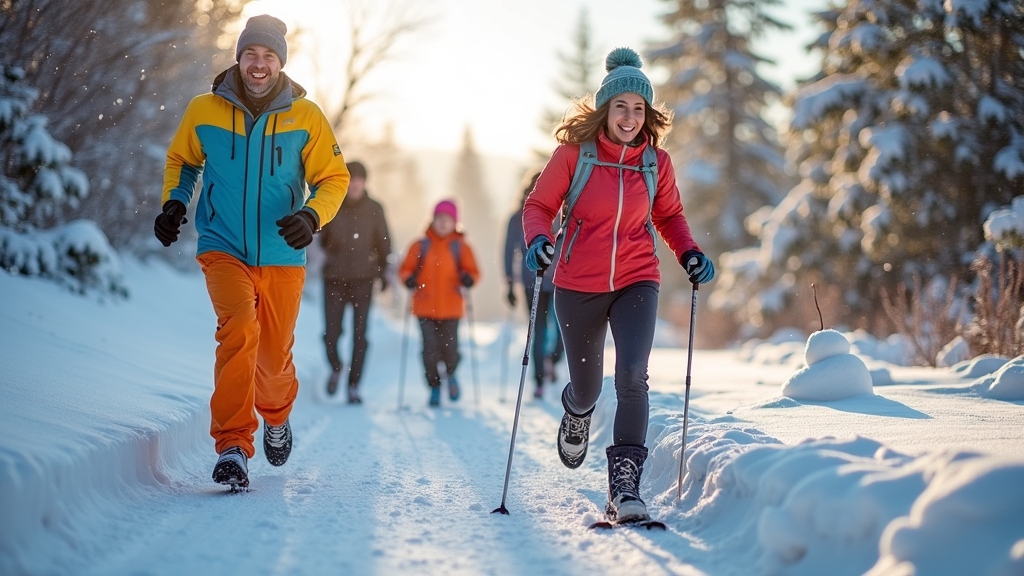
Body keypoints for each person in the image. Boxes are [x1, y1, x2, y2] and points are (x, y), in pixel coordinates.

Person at [154, 15, 350, 489]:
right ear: (238, 58)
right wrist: (175, 202)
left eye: (268, 56)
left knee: (273, 358)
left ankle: (277, 416)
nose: (258, 64)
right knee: (239, 331)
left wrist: (311, 216)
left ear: (280, 62)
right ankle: (233, 446)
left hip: (282, 252)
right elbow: (183, 160)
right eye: (250, 54)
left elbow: (333, 178)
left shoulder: (306, 116)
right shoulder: (205, 109)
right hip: (223, 246)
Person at [521, 47, 715, 523]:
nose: (630, 117)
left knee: (632, 376)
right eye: (621, 107)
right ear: (605, 110)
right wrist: (539, 240)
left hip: (637, 279)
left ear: (647, 114)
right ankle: (576, 410)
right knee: (588, 389)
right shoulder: (574, 156)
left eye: (639, 108)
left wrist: (689, 252)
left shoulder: (656, 163)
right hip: (578, 284)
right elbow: (539, 207)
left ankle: (625, 488)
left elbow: (669, 216)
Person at [318, 160, 392, 404]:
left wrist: (383, 273)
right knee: (331, 334)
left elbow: (384, 242)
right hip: (334, 279)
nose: (355, 184)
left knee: (360, 336)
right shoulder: (333, 205)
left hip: (363, 280)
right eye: (351, 179)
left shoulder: (375, 209)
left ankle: (354, 386)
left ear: (364, 182)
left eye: (359, 179)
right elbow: (323, 239)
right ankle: (336, 367)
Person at [398, 200, 480, 407]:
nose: (443, 223)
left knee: (450, 349)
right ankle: (434, 386)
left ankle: (451, 375)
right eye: (439, 218)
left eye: (448, 219)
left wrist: (469, 279)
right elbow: (405, 268)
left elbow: (473, 271)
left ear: (455, 223)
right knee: (429, 350)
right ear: (432, 220)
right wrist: (408, 279)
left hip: (451, 308)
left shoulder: (461, 247)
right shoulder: (420, 245)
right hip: (424, 307)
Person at [503, 168, 564, 399]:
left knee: (561, 329)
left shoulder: (563, 212)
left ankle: (550, 362)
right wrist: (509, 282)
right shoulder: (519, 217)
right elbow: (509, 250)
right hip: (533, 280)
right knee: (540, 330)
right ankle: (540, 377)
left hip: (560, 280)